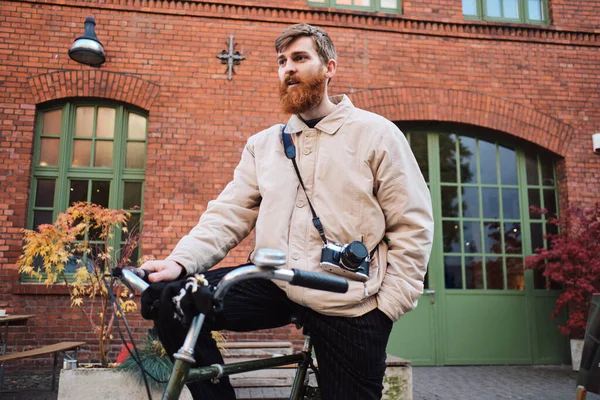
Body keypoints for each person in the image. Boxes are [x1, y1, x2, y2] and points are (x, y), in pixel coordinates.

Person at [140, 23, 433, 400]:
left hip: (351, 300)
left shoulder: (377, 134)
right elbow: (228, 213)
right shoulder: (264, 146)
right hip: (278, 282)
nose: (288, 68)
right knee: (172, 300)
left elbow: (412, 225)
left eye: (300, 58)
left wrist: (386, 308)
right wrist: (180, 263)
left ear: (329, 67)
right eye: (282, 61)